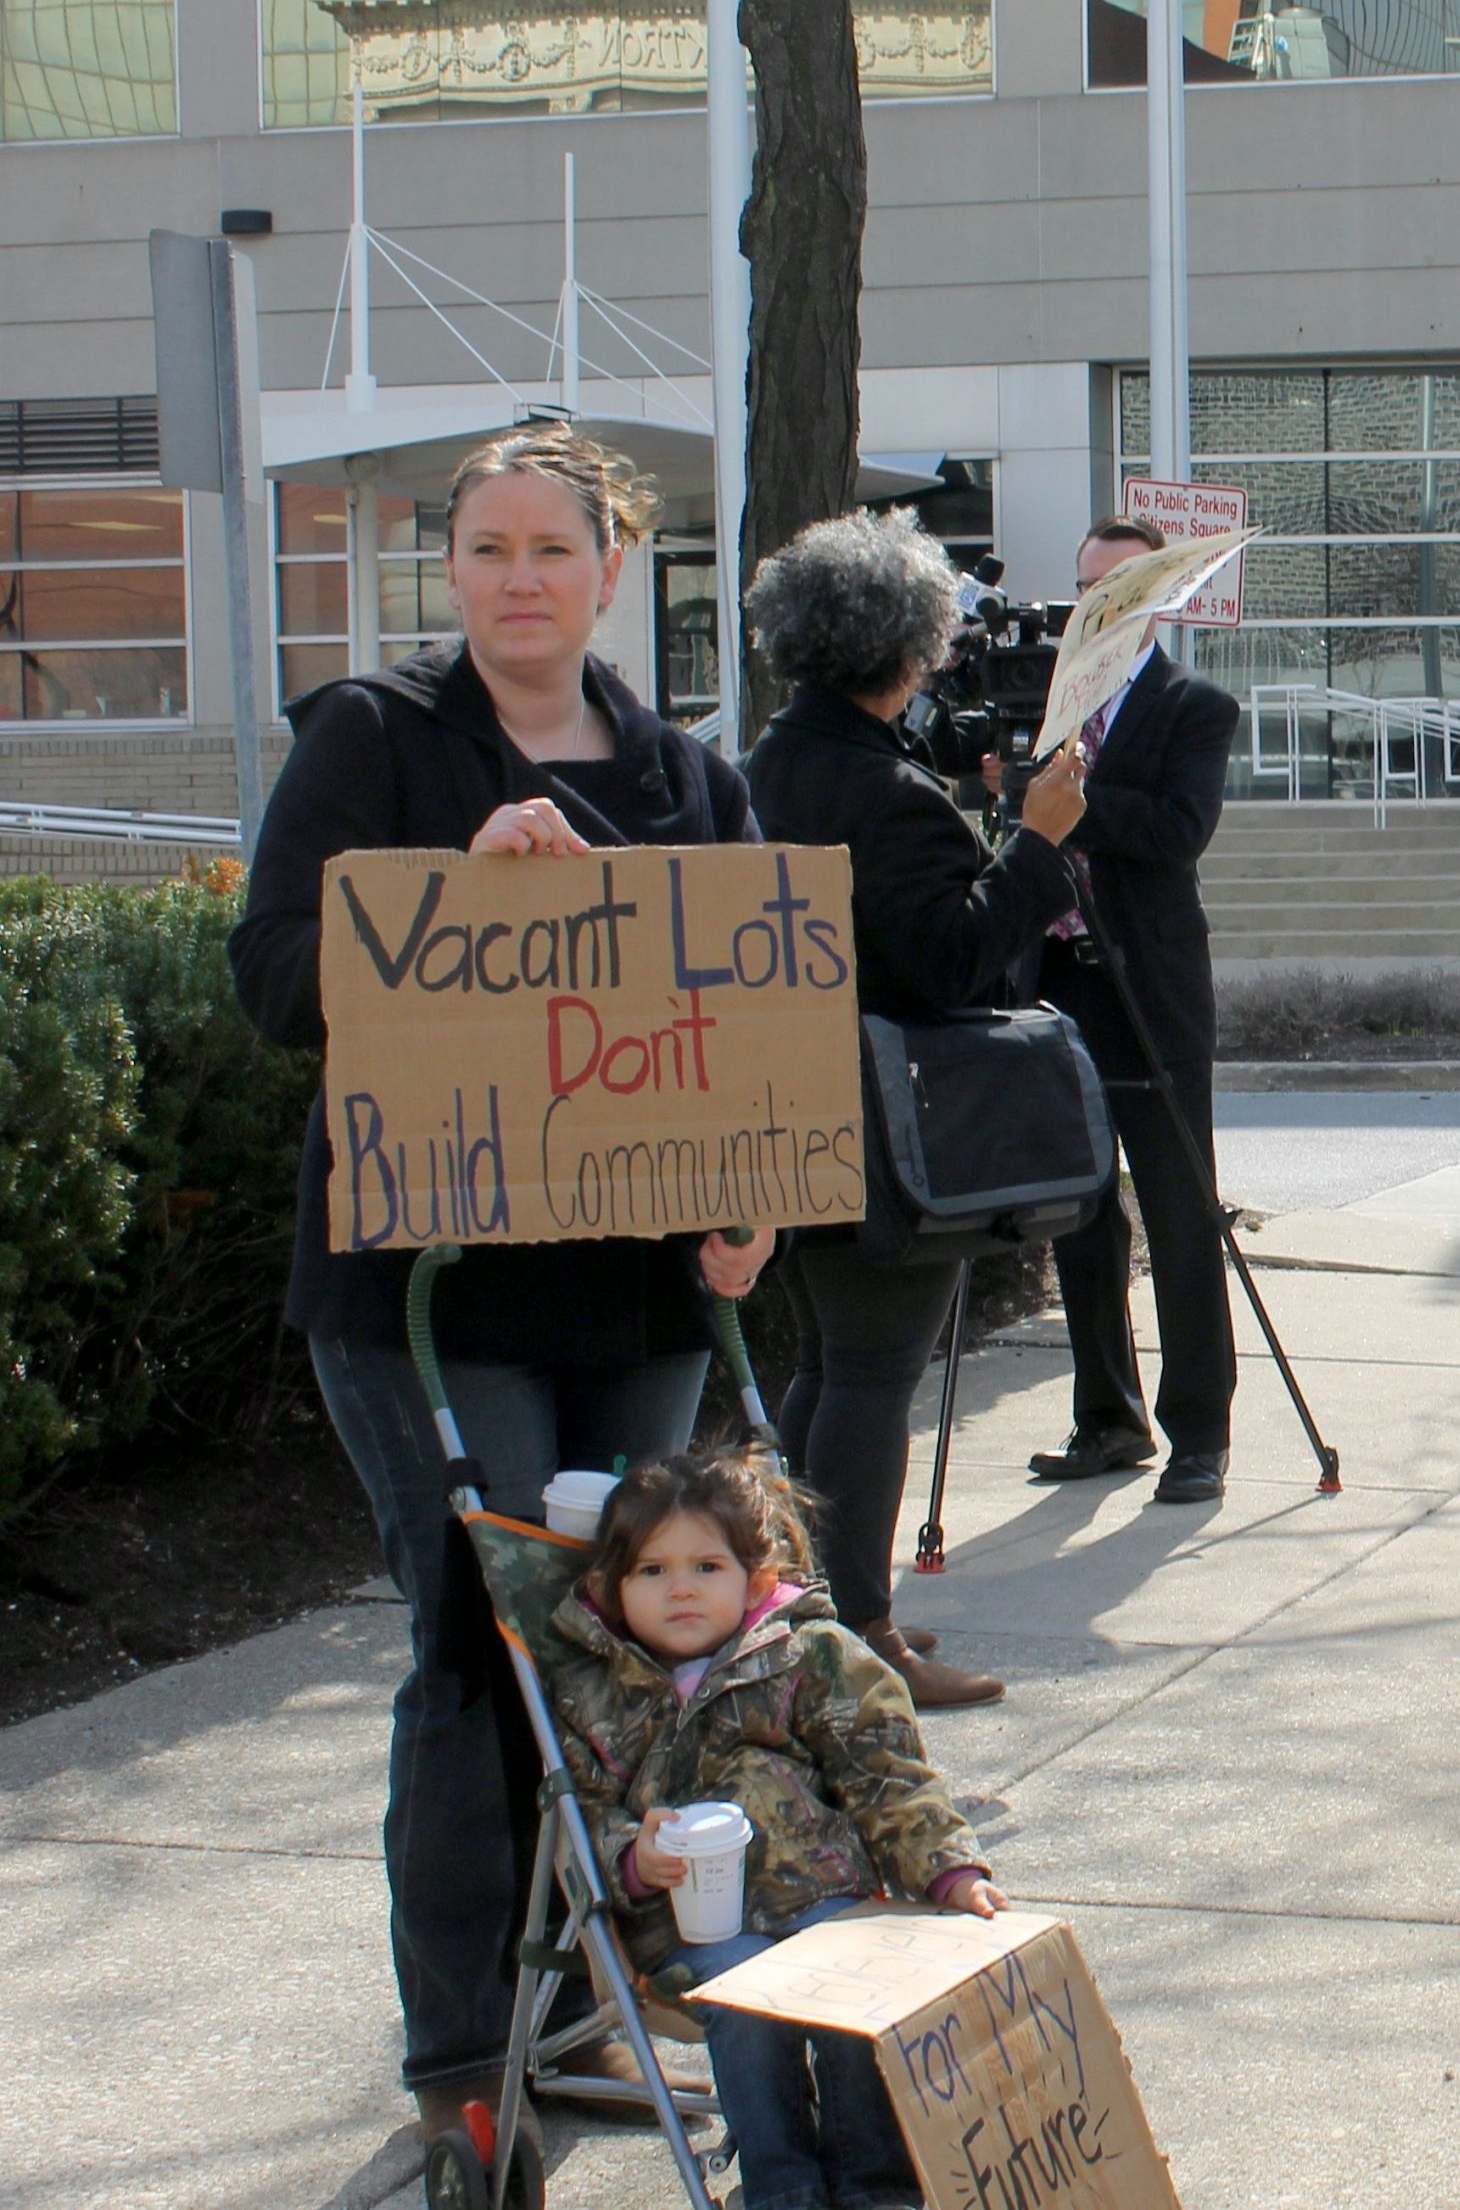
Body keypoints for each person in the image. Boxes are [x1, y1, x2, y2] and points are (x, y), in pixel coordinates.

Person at [226, 427, 775, 2136]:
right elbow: (274, 983)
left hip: (635, 1291)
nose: (519, 576)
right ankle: (466, 2054)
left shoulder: (689, 775)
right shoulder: (375, 742)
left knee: (628, 1645)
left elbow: (751, 1016)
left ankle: (582, 2004)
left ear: (613, 567)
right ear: (448, 569)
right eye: (487, 549)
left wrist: (751, 1201)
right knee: (480, 1648)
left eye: (554, 547)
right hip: (432, 1284)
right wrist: (450, 897)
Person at [744, 508, 1090, 1709]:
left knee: (830, 1369)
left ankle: (796, 1613)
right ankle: (854, 1635)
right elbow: (955, 962)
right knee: (872, 1375)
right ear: (910, 647)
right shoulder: (881, 792)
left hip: (792, 1110)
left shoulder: (769, 764)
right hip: (885, 1133)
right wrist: (1037, 846)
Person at [555, 1449, 1005, 2210]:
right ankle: (781, 2186)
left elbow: (887, 1773)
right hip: (696, 1924)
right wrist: (633, 1857)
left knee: (854, 1996)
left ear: (757, 1578)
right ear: (612, 1587)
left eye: (706, 1566)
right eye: (652, 1573)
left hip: (824, 1893)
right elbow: (585, 1815)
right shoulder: (597, 1690)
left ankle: (875, 2184)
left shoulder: (809, 1656)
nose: (682, 1591)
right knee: (749, 2006)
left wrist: (948, 1869)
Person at [1027, 515, 1245, 1506]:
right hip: (1059, 984)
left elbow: (1176, 830)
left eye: (1116, 585)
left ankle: (1198, 1430)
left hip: (1151, 988)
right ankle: (1105, 1420)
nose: (1096, 603)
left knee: (1178, 1208)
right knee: (1079, 1214)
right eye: (1085, 586)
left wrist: (1069, 806)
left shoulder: (1194, 705)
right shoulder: (1043, 708)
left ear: (1157, 596)